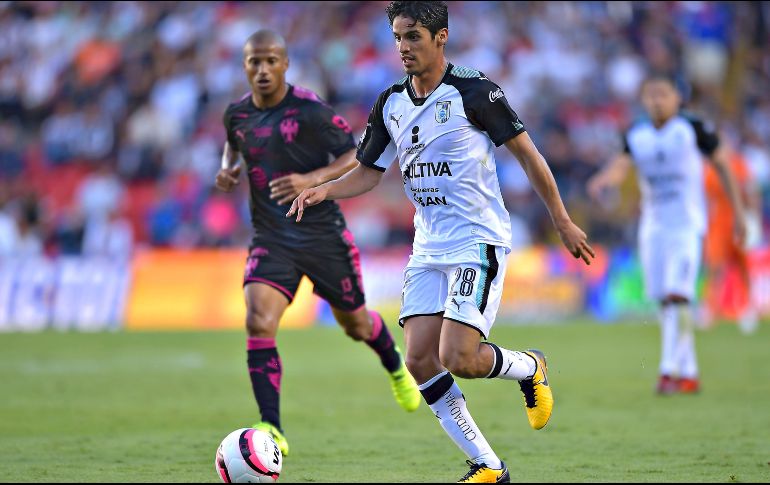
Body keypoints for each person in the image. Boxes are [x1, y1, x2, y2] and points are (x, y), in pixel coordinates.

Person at [288, 2, 595, 482]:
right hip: (428, 245)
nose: (403, 48)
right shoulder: (390, 102)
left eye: (413, 37)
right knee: (418, 359)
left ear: (440, 37)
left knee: (460, 357)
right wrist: (324, 189)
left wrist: (561, 219)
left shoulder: (475, 93)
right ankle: (488, 466)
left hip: (478, 239)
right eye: (397, 38)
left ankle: (529, 366)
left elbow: (529, 156)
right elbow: (369, 171)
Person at [216, 30, 420, 457]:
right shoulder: (236, 115)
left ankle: (394, 364)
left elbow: (357, 154)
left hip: (323, 236)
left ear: (285, 64)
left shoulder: (308, 110)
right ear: (245, 67)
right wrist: (228, 169)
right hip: (271, 238)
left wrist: (311, 179)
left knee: (357, 325)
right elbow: (233, 149)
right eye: (255, 62)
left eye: (271, 60)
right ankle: (271, 427)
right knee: (258, 321)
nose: (263, 69)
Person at [588, 75, 746, 395]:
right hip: (653, 229)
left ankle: (667, 371)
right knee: (665, 301)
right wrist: (605, 181)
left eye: (663, 94)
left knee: (678, 295)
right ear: (645, 100)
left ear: (677, 98)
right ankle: (689, 372)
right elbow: (620, 166)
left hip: (687, 225)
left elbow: (723, 165)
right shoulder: (637, 132)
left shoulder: (693, 127)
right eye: (651, 95)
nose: (657, 101)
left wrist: (739, 213)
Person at [703, 148, 760, 334]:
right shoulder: (711, 170)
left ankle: (748, 309)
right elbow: (706, 199)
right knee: (715, 268)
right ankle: (710, 309)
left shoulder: (739, 164)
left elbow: (751, 192)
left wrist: (754, 216)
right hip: (718, 226)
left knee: (743, 267)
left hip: (738, 223)